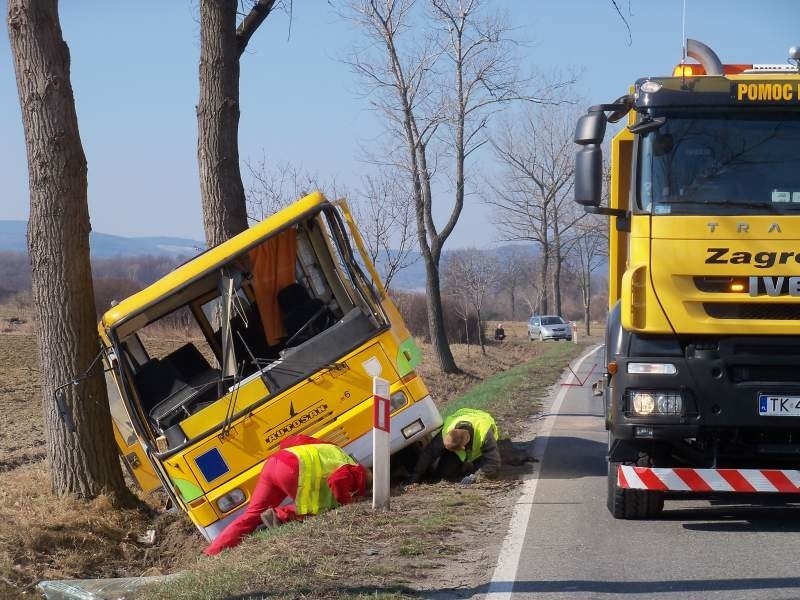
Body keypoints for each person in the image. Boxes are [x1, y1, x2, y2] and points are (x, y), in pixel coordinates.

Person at [203, 434, 369, 555]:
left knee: (251, 515)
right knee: (323, 507)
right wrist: (346, 503)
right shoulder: (355, 469)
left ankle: (212, 551)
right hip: (291, 469)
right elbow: (337, 479)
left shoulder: (327, 447)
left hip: (273, 463)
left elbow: (290, 441)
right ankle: (279, 515)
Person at [407, 408, 501, 485]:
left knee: (491, 473)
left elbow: (493, 463)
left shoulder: (484, 433)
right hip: (465, 419)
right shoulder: (447, 431)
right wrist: (416, 474)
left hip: (480, 451)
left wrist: (476, 476)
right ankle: (464, 467)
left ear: (462, 448)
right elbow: (430, 452)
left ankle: (469, 466)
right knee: (443, 474)